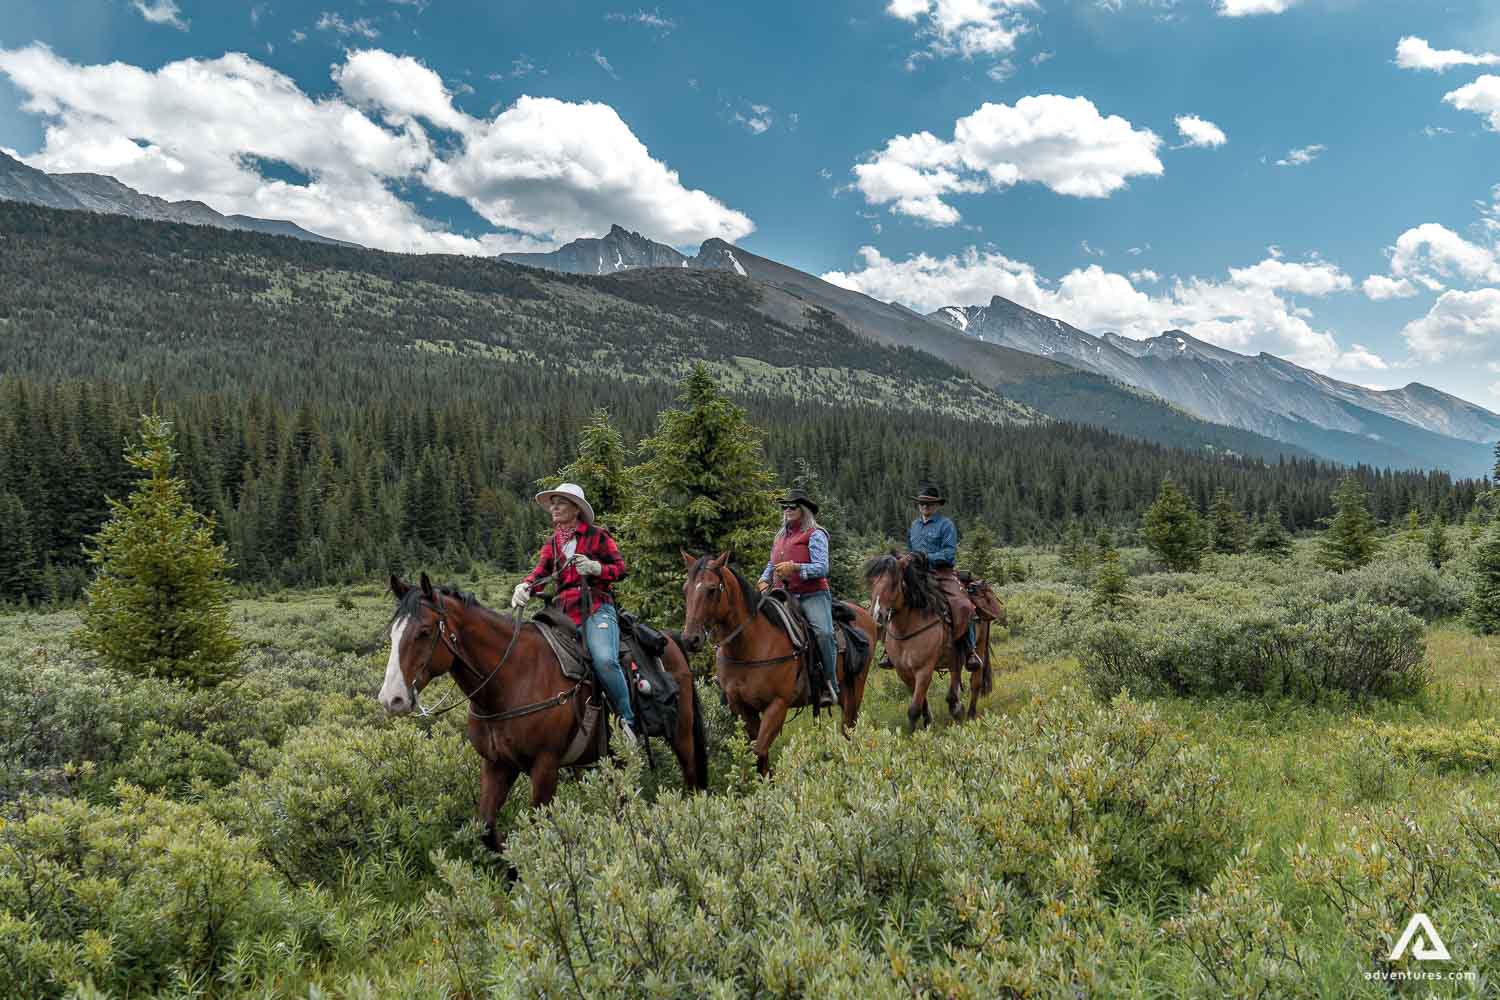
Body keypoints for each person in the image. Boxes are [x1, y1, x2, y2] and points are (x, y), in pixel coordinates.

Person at [511, 483, 637, 742]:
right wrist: (525, 586)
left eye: (561, 502)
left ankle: (627, 721)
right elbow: (541, 574)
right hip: (562, 614)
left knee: (604, 660)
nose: (554, 507)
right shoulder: (552, 544)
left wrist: (596, 568)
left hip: (596, 608)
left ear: (576, 509)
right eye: (552, 503)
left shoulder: (597, 535)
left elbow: (621, 569)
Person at [757, 488, 839, 708]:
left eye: (792, 506)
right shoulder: (780, 536)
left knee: (823, 633)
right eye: (784, 506)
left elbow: (822, 568)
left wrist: (796, 568)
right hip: (781, 594)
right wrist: (764, 579)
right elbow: (771, 564)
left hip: (812, 594)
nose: (787, 510)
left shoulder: (816, 534)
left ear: (803, 510)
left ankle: (829, 684)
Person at [907, 481, 983, 672]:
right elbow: (910, 551)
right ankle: (891, 650)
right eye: (922, 503)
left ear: (937, 505)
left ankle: (971, 650)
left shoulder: (946, 525)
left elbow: (948, 554)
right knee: (891, 600)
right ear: (918, 505)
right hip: (917, 575)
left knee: (964, 605)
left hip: (943, 574)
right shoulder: (914, 526)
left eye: (929, 503)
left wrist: (925, 558)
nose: (925, 506)